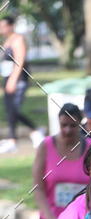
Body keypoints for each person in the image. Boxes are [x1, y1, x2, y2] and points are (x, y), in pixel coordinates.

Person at [0, 15, 44, 153]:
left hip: (18, 79)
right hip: (7, 78)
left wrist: (13, 79)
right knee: (9, 109)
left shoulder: (18, 39)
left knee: (13, 109)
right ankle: (29, 133)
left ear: (11, 26)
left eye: (3, 26)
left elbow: (20, 61)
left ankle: (30, 133)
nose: (1, 28)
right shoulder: (7, 41)